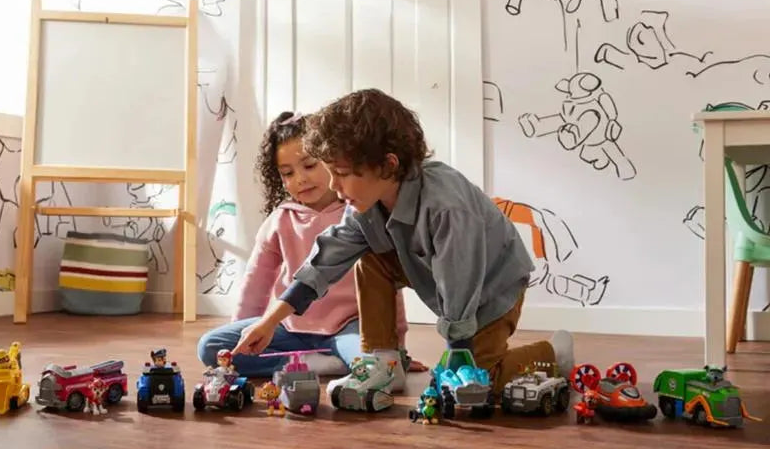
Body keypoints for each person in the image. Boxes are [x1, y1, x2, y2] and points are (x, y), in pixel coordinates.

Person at [233, 89, 574, 395]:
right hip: (435, 273)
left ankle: (553, 354)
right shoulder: (365, 205)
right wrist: (270, 321)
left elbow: (460, 281)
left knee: (480, 381)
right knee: (369, 256)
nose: (334, 186)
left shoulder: (446, 207)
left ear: (388, 165)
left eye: (342, 173)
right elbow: (326, 260)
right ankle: (385, 362)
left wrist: (458, 351)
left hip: (491, 286)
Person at [197, 110, 423, 386]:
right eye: (288, 173)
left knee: (376, 364)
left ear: (331, 161)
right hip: (290, 327)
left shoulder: (360, 213)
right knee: (211, 347)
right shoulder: (280, 220)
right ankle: (315, 363)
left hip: (349, 327)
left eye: (309, 165)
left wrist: (397, 349)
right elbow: (256, 284)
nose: (300, 179)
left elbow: (388, 285)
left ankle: (325, 362)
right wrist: (245, 334)